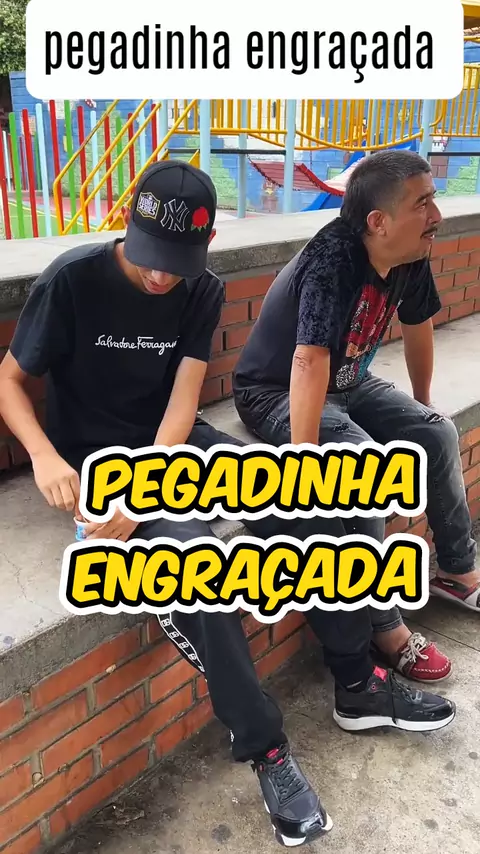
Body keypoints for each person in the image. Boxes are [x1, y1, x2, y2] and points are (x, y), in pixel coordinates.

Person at [0, 160, 456, 849]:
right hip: (95, 464)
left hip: (174, 445)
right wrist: (44, 456)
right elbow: (10, 381)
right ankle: (266, 747)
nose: (163, 276)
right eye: (151, 259)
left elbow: (182, 401)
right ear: (127, 225)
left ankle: (356, 682)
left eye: (178, 263)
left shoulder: (203, 288)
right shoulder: (72, 279)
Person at [232, 149, 479, 642]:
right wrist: (304, 460)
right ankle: (382, 627)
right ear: (378, 222)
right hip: (274, 390)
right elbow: (308, 361)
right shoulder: (334, 258)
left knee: (436, 433)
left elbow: (418, 325)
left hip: (347, 380)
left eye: (433, 199)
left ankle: (457, 570)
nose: (436, 215)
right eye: (423, 204)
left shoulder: (411, 253)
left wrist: (423, 403)